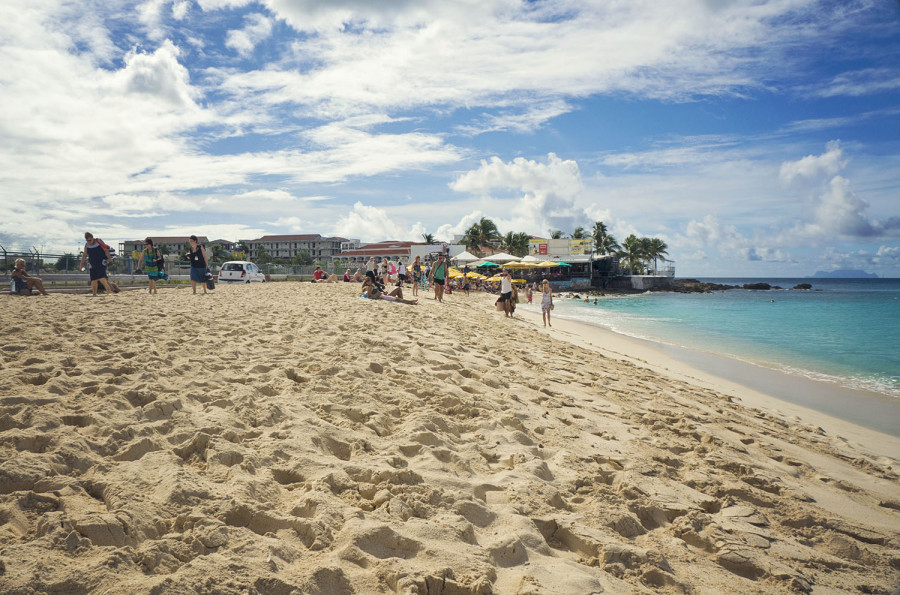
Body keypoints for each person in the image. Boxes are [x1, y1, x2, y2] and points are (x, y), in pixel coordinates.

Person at [79, 232, 115, 296]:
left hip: (101, 262)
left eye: (90, 240)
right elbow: (84, 255)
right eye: (87, 240)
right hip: (92, 263)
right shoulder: (87, 245)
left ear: (93, 238)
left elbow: (106, 250)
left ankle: (109, 292)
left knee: (102, 278)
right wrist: (81, 263)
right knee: (93, 279)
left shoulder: (99, 241)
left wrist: (109, 259)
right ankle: (94, 294)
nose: (89, 242)